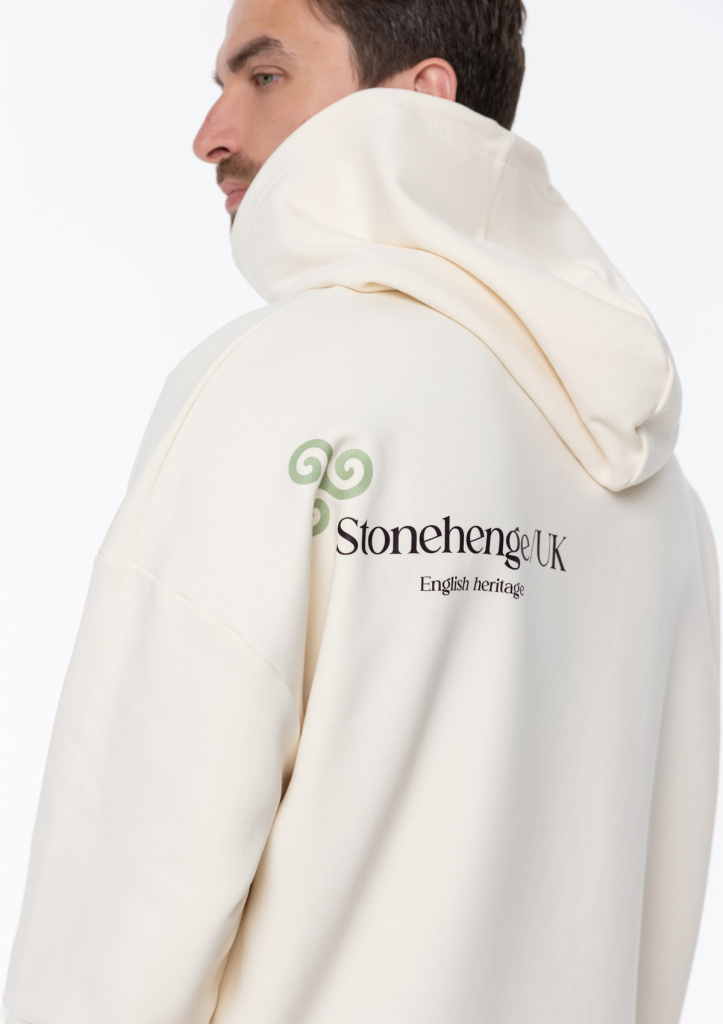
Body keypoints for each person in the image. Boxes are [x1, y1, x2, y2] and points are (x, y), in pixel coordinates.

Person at [2, 0, 719, 1021]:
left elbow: (130, 897)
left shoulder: (270, 393)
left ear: (424, 100)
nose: (211, 133)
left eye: (264, 77)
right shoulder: (657, 494)